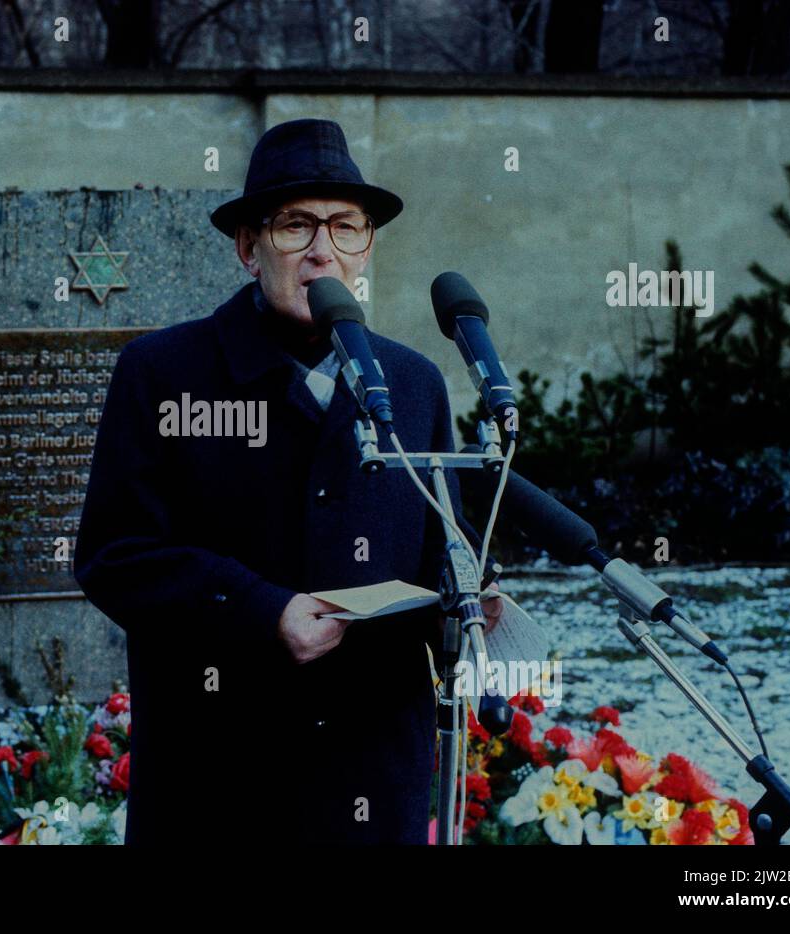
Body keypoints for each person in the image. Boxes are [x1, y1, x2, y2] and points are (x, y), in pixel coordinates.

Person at [74, 118, 499, 845]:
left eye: (345, 228)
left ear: (367, 247)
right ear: (247, 247)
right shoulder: (163, 374)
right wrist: (263, 611)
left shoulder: (414, 383)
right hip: (219, 781)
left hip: (372, 781)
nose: (322, 253)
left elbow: (441, 545)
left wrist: (467, 604)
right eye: (295, 227)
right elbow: (115, 558)